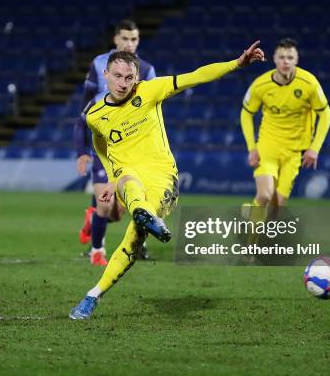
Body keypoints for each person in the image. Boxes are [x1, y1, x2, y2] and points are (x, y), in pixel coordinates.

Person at [69, 42, 266, 319]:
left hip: (162, 178)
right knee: (129, 183)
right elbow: (99, 144)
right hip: (129, 177)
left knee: (132, 242)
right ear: (106, 74)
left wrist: (237, 63)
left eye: (129, 77)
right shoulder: (95, 116)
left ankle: (95, 292)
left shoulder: (150, 91)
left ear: (137, 78)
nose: (123, 83)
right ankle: (140, 219)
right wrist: (113, 179)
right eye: (117, 76)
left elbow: (196, 75)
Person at [75, 19, 156, 265]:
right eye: (125, 38)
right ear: (115, 39)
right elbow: (84, 109)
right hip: (106, 143)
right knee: (105, 204)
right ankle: (97, 251)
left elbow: (150, 110)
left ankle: (95, 220)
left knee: (120, 211)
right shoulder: (99, 64)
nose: (129, 44)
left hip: (133, 145)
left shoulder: (147, 70)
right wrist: (82, 150)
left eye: (134, 39)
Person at [240, 38, 330, 221]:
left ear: (296, 60)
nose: (286, 61)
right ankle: (251, 245)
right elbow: (246, 114)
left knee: (276, 208)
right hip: (268, 148)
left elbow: (326, 114)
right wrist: (252, 147)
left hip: (294, 153)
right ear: (274, 59)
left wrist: (314, 148)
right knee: (265, 195)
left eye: (290, 57)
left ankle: (249, 213)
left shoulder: (309, 83)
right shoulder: (260, 85)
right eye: (281, 57)